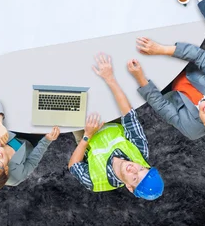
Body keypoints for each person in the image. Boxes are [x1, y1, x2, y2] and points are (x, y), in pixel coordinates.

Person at [68, 54, 164, 200]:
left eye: (134, 179)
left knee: (70, 92)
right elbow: (129, 116)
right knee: (97, 83)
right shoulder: (140, 153)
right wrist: (109, 78)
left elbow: (74, 165)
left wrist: (87, 136)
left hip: (86, 134)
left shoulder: (95, 182)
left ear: (130, 188)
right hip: (112, 120)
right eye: (141, 169)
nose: (134, 169)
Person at [130, 38, 205, 142]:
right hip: (183, 63)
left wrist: (140, 77)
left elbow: (161, 105)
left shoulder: (191, 130)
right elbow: (200, 56)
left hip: (165, 86)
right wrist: (160, 49)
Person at [0, 99, 60, 191]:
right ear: (6, 171)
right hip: (31, 138)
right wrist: (47, 140)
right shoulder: (16, 177)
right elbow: (32, 160)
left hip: (9, 123)